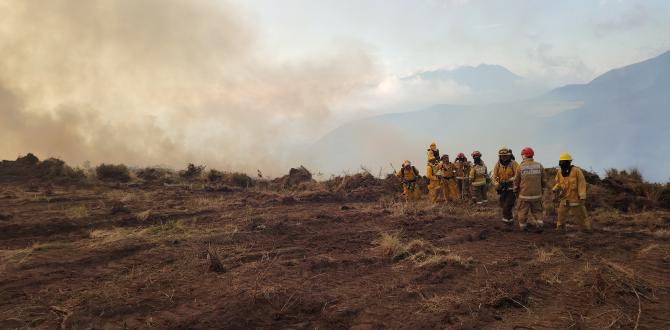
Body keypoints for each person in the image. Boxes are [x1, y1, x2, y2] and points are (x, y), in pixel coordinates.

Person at [552, 153, 592, 232]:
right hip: (564, 198)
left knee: (581, 216)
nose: (562, 164)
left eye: (564, 162)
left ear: (569, 162)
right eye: (561, 162)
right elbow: (559, 183)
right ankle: (560, 229)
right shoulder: (560, 172)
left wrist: (582, 196)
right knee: (561, 215)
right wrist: (555, 189)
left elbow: (581, 183)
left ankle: (585, 230)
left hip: (575, 199)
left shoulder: (576, 171)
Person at [514, 147, 546, 232]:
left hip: (524, 195)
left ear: (524, 156)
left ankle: (523, 227)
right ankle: (540, 224)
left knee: (522, 211)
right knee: (537, 211)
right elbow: (544, 180)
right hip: (537, 195)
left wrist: (515, 190)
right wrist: (542, 189)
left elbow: (516, 181)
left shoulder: (520, 167)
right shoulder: (539, 165)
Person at [492, 147, 519, 224]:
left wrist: (510, 180)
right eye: (501, 156)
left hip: (511, 188)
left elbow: (518, 175)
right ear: (499, 156)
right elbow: (494, 177)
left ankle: (506, 223)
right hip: (502, 188)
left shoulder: (513, 163)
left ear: (508, 155)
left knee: (507, 206)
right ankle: (509, 220)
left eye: (505, 155)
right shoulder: (497, 165)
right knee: (503, 205)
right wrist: (497, 184)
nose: (503, 157)